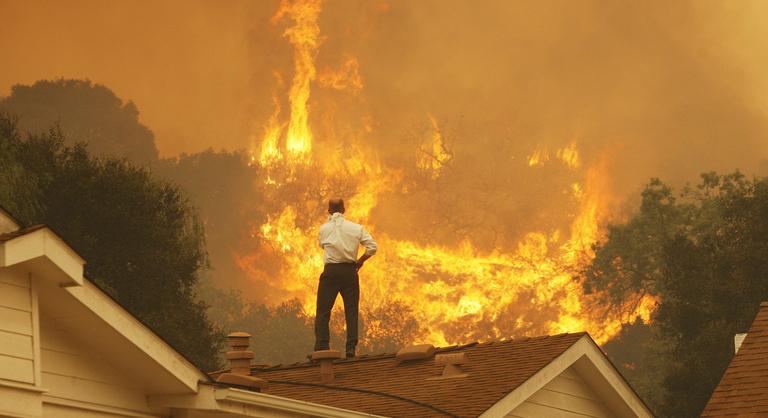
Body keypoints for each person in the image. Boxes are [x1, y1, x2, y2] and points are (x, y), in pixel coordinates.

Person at [314, 198, 377, 358]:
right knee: (351, 311)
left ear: (329, 210)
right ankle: (350, 349)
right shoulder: (356, 228)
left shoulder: (323, 229)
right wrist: (360, 261)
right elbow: (372, 247)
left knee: (323, 311)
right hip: (350, 272)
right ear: (344, 209)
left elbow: (323, 245)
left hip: (331, 272)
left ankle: (322, 348)